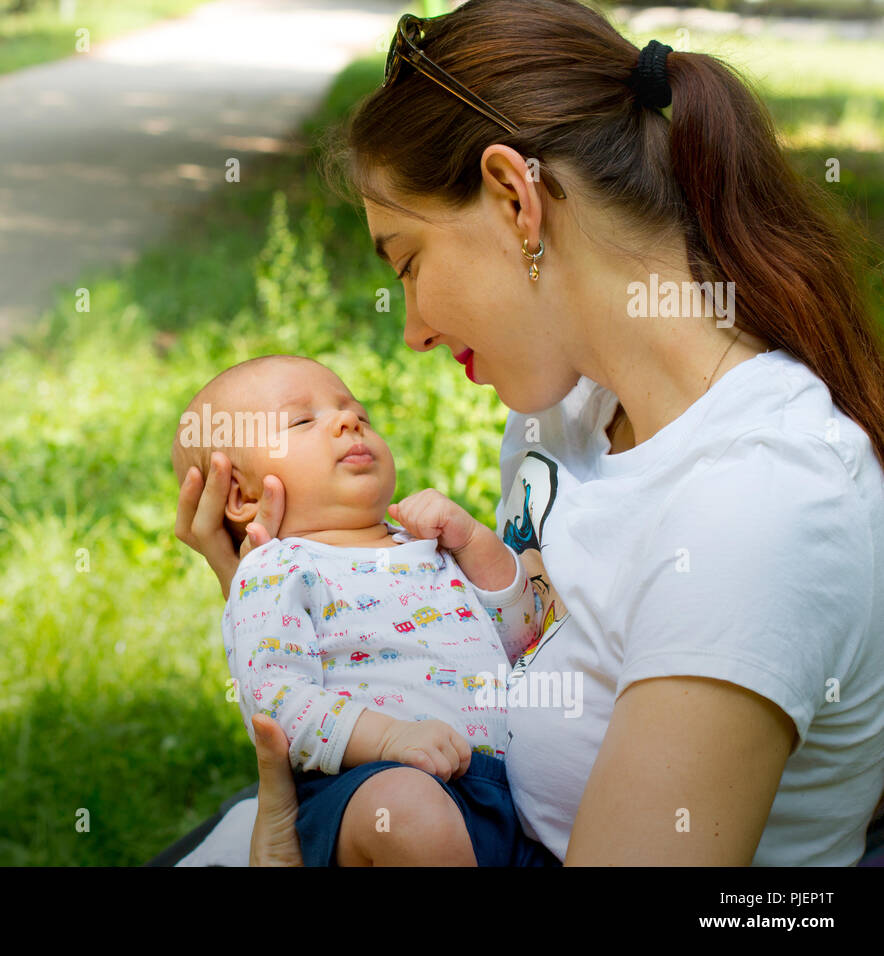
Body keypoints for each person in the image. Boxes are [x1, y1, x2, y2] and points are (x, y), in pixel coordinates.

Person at [173, 0, 884, 866]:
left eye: (408, 262)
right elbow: (511, 630)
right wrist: (287, 596)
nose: (414, 331)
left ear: (516, 198)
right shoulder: (565, 415)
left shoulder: (758, 505)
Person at [171, 353, 555, 866]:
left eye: (358, 414)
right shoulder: (277, 569)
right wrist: (391, 738)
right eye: (303, 420)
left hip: (499, 793)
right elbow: (276, 698)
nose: (348, 420)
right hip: (365, 785)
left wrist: (475, 543)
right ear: (239, 495)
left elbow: (525, 639)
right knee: (409, 815)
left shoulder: (431, 547)